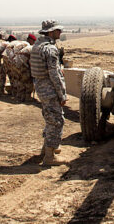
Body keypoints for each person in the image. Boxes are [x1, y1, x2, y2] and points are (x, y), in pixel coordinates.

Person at [30, 21, 67, 165]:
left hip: (40, 87)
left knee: (49, 117)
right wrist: (62, 94)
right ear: (51, 32)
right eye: (58, 30)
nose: (60, 33)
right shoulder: (50, 49)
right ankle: (50, 157)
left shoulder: (37, 46)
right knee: (56, 120)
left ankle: (46, 148)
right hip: (50, 89)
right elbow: (55, 75)